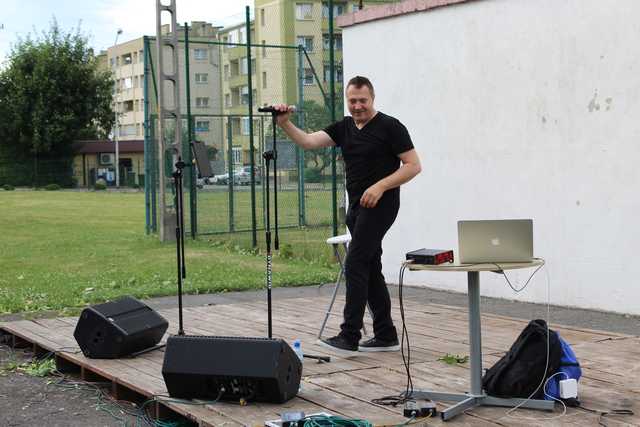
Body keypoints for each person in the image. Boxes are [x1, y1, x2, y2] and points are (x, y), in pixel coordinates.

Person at [273, 76, 421, 356]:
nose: (357, 106)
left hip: (382, 204)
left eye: (362, 100)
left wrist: (380, 186)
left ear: (372, 98)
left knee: (355, 262)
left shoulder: (390, 126)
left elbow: (413, 165)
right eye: (352, 101)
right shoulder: (344, 127)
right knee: (370, 265)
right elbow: (308, 142)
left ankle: (349, 335)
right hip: (356, 207)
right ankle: (385, 334)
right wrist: (284, 123)